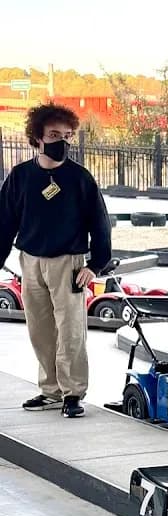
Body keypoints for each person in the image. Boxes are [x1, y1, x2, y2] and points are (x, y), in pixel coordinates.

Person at [0, 103, 112, 419]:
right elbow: (5, 222)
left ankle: (72, 392)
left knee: (71, 331)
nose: (61, 141)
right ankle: (50, 391)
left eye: (66, 135)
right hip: (31, 261)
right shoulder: (21, 177)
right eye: (53, 135)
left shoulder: (80, 179)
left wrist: (95, 265)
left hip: (69, 263)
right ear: (37, 137)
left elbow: (100, 223)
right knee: (40, 330)